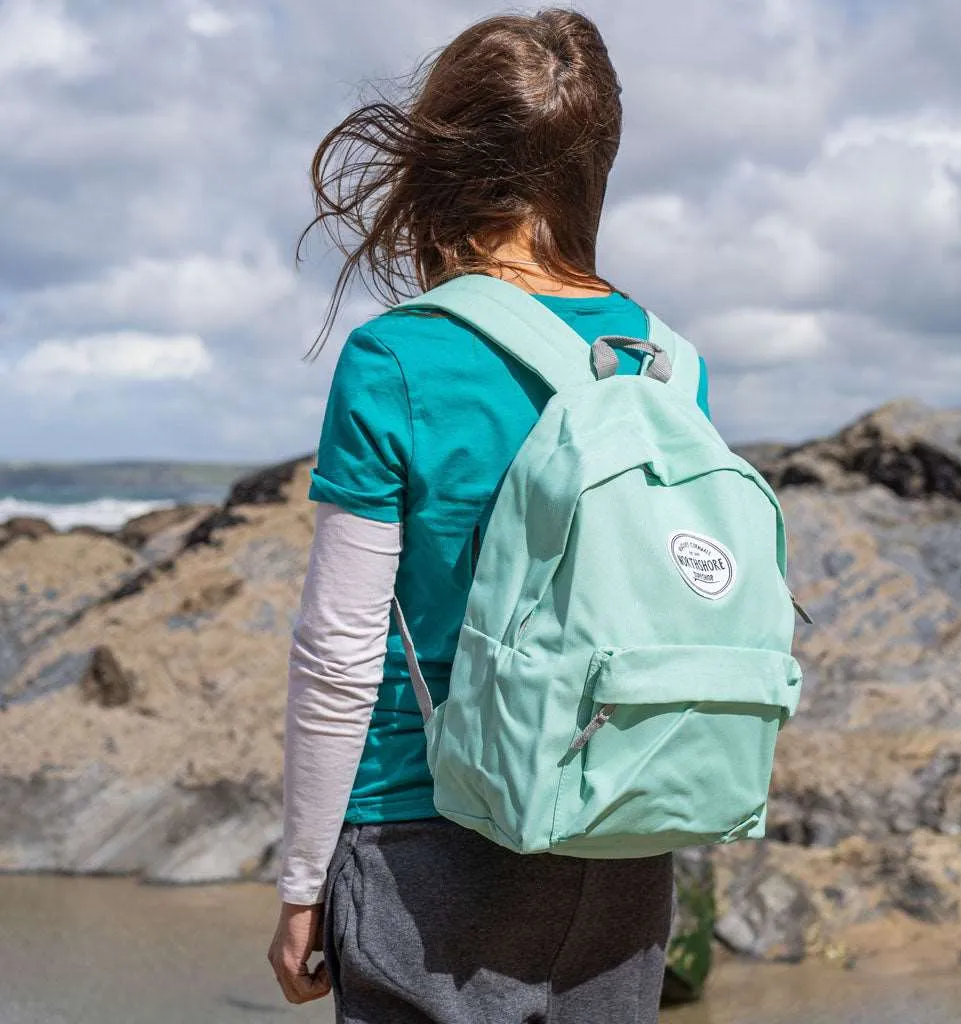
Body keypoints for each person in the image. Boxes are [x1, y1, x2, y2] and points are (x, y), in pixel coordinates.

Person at [267, 9, 711, 1023]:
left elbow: (338, 652)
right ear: (595, 166)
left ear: (444, 164)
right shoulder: (669, 364)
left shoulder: (398, 358)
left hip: (428, 843)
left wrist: (301, 883)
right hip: (622, 835)